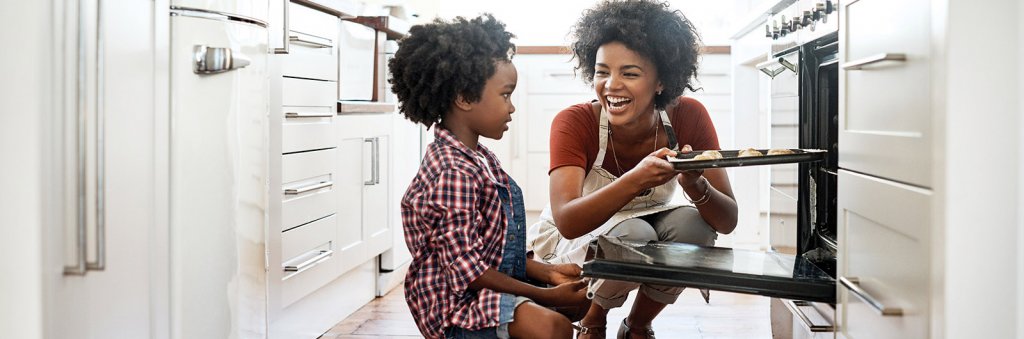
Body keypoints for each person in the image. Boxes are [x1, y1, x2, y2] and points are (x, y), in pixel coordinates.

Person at [526, 1, 739, 338]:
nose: (611, 85)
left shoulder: (688, 116)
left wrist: (696, 186)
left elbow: (726, 222)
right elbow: (568, 221)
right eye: (601, 71)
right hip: (579, 238)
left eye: (629, 73)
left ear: (661, 82)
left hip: (653, 218)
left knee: (693, 229)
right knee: (634, 236)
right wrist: (635, 178)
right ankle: (593, 320)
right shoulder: (575, 122)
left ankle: (637, 326)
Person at [391, 14, 590, 339]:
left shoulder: (479, 158)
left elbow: (492, 250)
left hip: (483, 284)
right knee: (553, 326)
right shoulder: (452, 172)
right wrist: (545, 295)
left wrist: (550, 272)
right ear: (465, 98)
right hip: (455, 306)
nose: (512, 107)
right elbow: (467, 270)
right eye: (505, 95)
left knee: (578, 303)